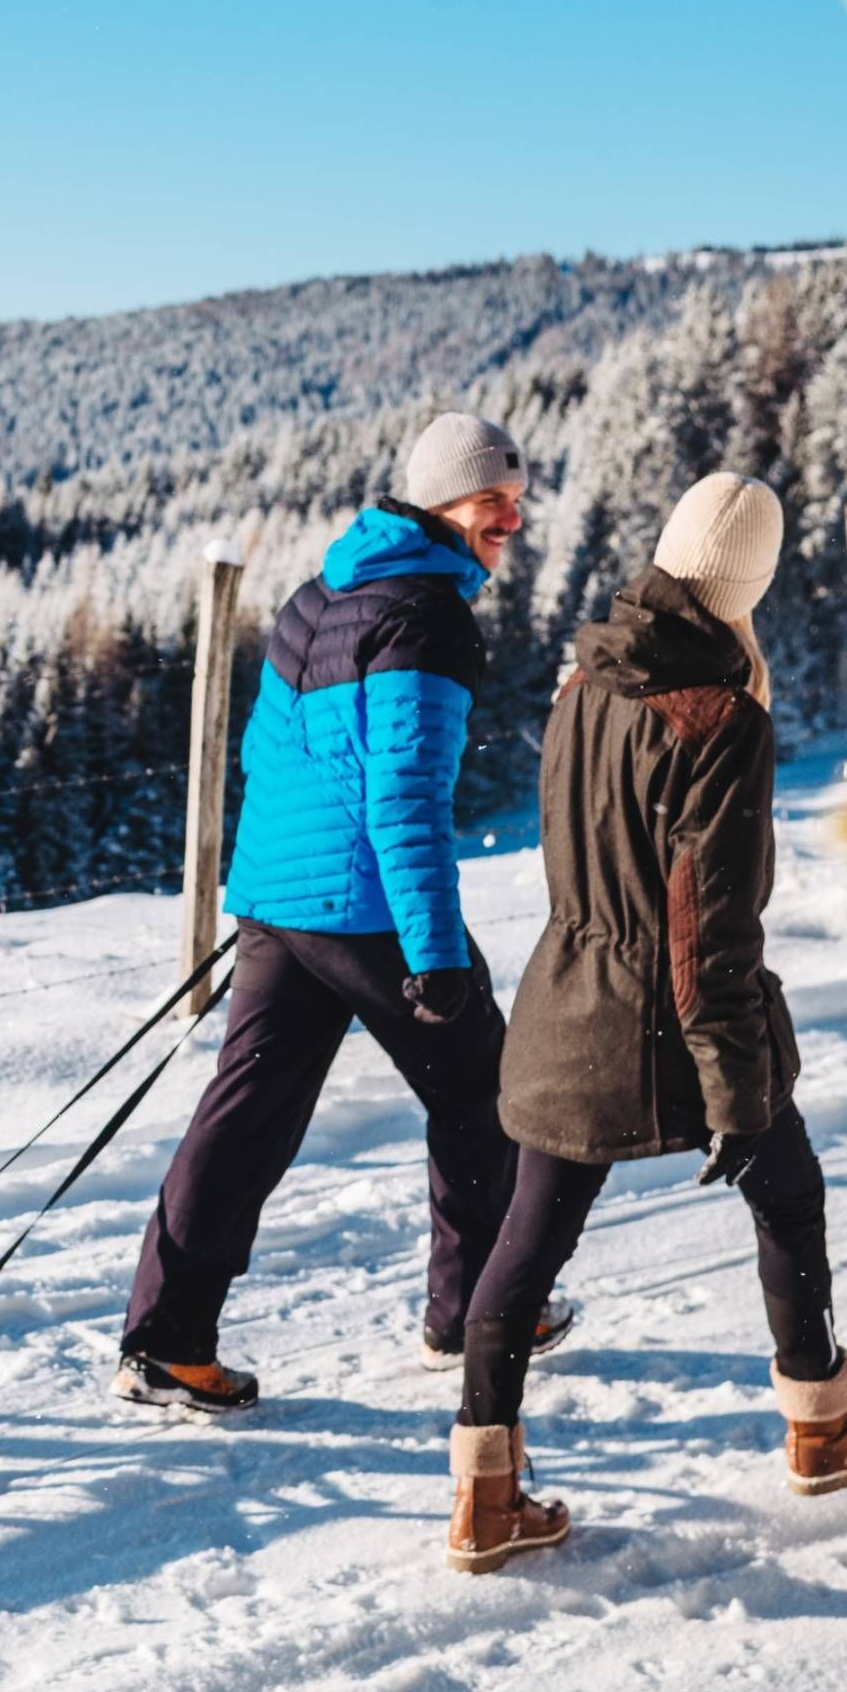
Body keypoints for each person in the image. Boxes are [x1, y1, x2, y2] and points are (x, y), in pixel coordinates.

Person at [444, 473, 847, 1574]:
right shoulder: (719, 713)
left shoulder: (587, 677)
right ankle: (821, 1422)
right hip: (670, 1022)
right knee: (790, 1193)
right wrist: (733, 1083)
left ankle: (483, 1496)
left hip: (566, 1000)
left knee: (524, 1248)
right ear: (750, 585)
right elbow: (706, 923)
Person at [116, 411, 571, 1413]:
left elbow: (262, 754)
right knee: (491, 1093)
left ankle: (166, 1342)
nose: (511, 516)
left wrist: (265, 891)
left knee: (247, 1114)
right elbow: (403, 796)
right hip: (365, 903)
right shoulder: (427, 616)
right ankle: (474, 1315)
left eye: (517, 498)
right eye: (491, 497)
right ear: (438, 499)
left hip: (286, 900)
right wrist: (436, 952)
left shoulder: (325, 589)